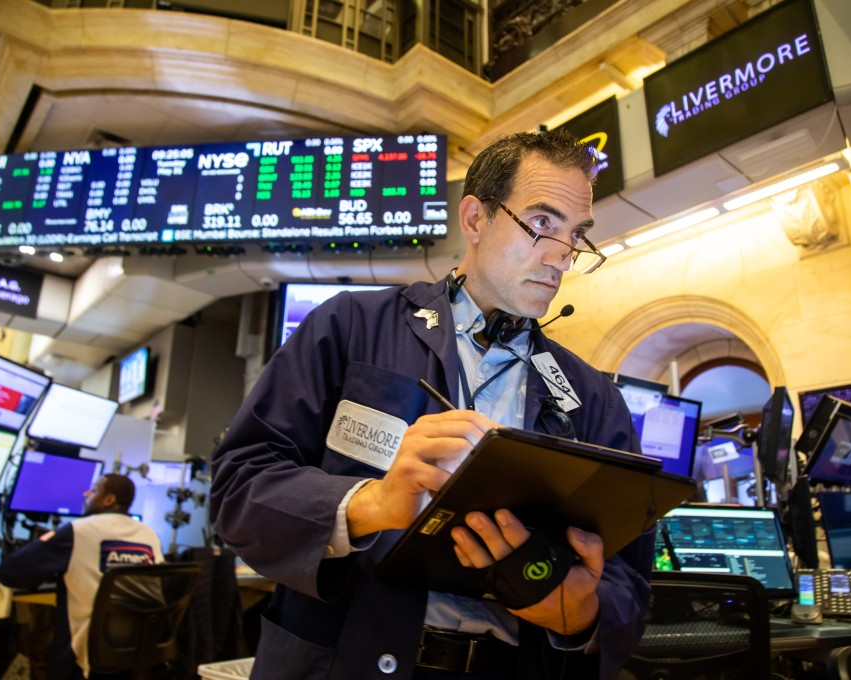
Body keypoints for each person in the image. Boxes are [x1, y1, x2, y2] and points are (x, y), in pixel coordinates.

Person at [210, 128, 652, 679]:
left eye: (576, 236)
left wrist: (577, 611)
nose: (560, 258)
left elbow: (629, 582)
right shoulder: (349, 326)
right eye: (541, 225)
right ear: (475, 219)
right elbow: (237, 489)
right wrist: (373, 503)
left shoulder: (592, 397)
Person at [0, 473, 164, 680]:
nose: (86, 493)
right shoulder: (149, 535)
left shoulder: (79, 531)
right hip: (138, 651)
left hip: (86, 658)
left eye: (94, 489)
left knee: (32, 641)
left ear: (109, 499)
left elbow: (9, 572)